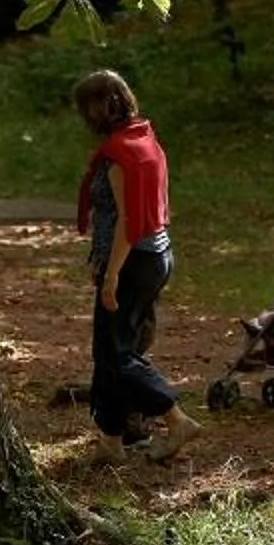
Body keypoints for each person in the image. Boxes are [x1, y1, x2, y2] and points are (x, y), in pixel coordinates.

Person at [74, 70, 197, 462]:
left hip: (132, 262)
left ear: (96, 110)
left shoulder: (120, 156)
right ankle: (111, 440)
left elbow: (129, 221)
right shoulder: (144, 138)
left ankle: (176, 419)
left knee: (117, 355)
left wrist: (111, 274)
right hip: (155, 256)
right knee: (109, 351)